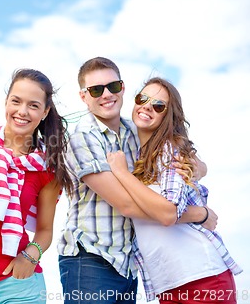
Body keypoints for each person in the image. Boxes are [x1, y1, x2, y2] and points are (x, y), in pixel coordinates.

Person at [58, 57, 216, 304]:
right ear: (83, 96)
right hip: (90, 260)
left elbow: (182, 155)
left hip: (128, 265)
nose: (106, 94)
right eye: (96, 90)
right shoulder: (82, 140)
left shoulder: (137, 131)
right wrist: (198, 214)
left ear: (123, 87)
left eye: (113, 86)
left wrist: (198, 168)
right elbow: (127, 206)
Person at [106, 77, 242, 303]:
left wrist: (121, 174)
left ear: (167, 116)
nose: (148, 106)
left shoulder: (169, 150)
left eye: (158, 105)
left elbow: (169, 213)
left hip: (203, 277)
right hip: (168, 283)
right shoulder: (132, 148)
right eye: (143, 98)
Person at [0, 68, 74, 304]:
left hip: (20, 285)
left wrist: (30, 258)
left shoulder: (46, 169)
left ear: (45, 112)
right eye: (16, 101)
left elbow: (44, 231)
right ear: (6, 102)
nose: (22, 112)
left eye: (33, 105)